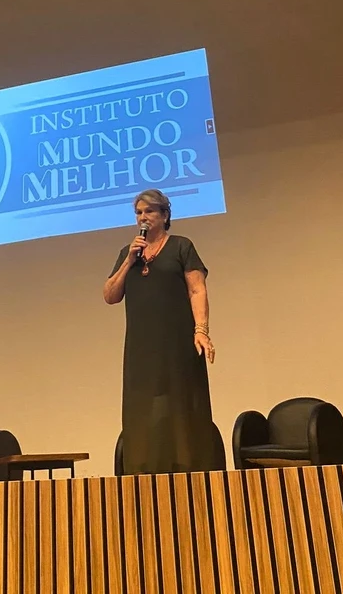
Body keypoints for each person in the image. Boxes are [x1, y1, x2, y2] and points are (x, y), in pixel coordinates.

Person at [103, 189, 218, 474]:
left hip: (178, 343)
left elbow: (197, 290)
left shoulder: (181, 246)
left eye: (149, 211)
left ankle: (190, 470)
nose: (143, 217)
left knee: (182, 405)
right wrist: (129, 260)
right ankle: (145, 472)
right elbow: (110, 295)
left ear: (165, 215)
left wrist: (201, 330)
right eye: (138, 213)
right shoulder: (128, 253)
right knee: (144, 410)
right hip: (142, 347)